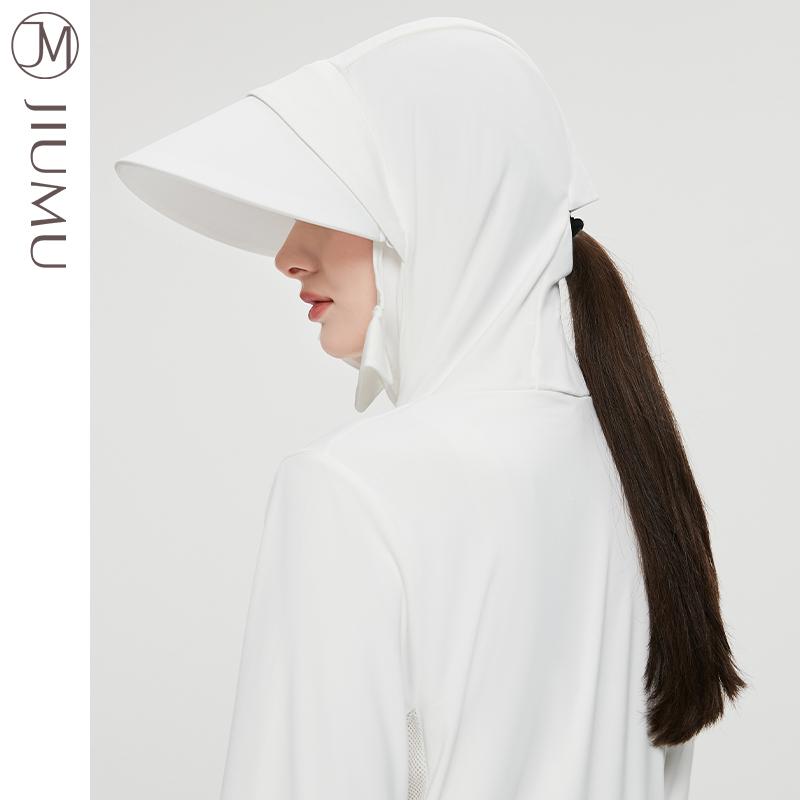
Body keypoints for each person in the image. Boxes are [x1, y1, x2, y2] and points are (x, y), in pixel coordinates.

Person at [115, 16, 746, 800]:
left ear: (439, 205)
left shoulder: (351, 492)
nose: (288, 256)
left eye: (331, 204)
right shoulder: (634, 468)